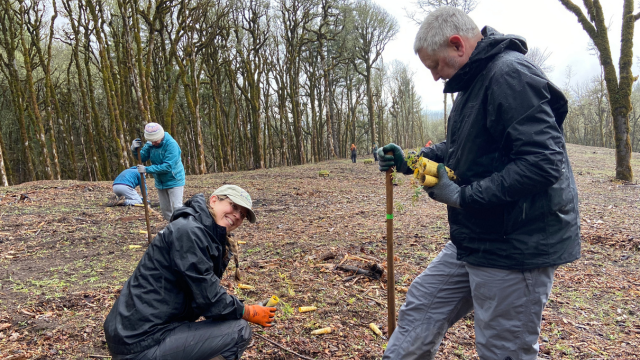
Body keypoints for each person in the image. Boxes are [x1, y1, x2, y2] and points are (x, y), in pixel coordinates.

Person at [377, 7, 580, 360]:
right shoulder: (476, 82)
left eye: (435, 66)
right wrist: (410, 162)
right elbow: (464, 151)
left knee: (503, 350)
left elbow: (543, 162)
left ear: (457, 45)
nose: (436, 77)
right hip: (475, 237)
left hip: (515, 244)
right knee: (421, 311)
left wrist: (462, 195)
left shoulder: (509, 75)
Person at [103, 185, 276, 360]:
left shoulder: (204, 232)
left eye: (243, 214)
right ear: (214, 200)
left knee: (231, 324)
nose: (238, 215)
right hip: (140, 342)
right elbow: (209, 299)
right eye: (234, 206)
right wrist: (247, 312)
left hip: (140, 333)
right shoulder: (189, 232)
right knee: (238, 331)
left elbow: (203, 298)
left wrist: (240, 309)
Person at [130, 123, 185, 221]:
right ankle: (171, 229)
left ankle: (182, 231)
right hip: (160, 181)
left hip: (174, 179)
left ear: (161, 136)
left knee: (177, 208)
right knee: (165, 210)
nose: (153, 143)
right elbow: (142, 157)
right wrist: (135, 150)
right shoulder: (151, 144)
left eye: (155, 141)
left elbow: (167, 166)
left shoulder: (171, 145)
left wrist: (147, 169)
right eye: (151, 141)